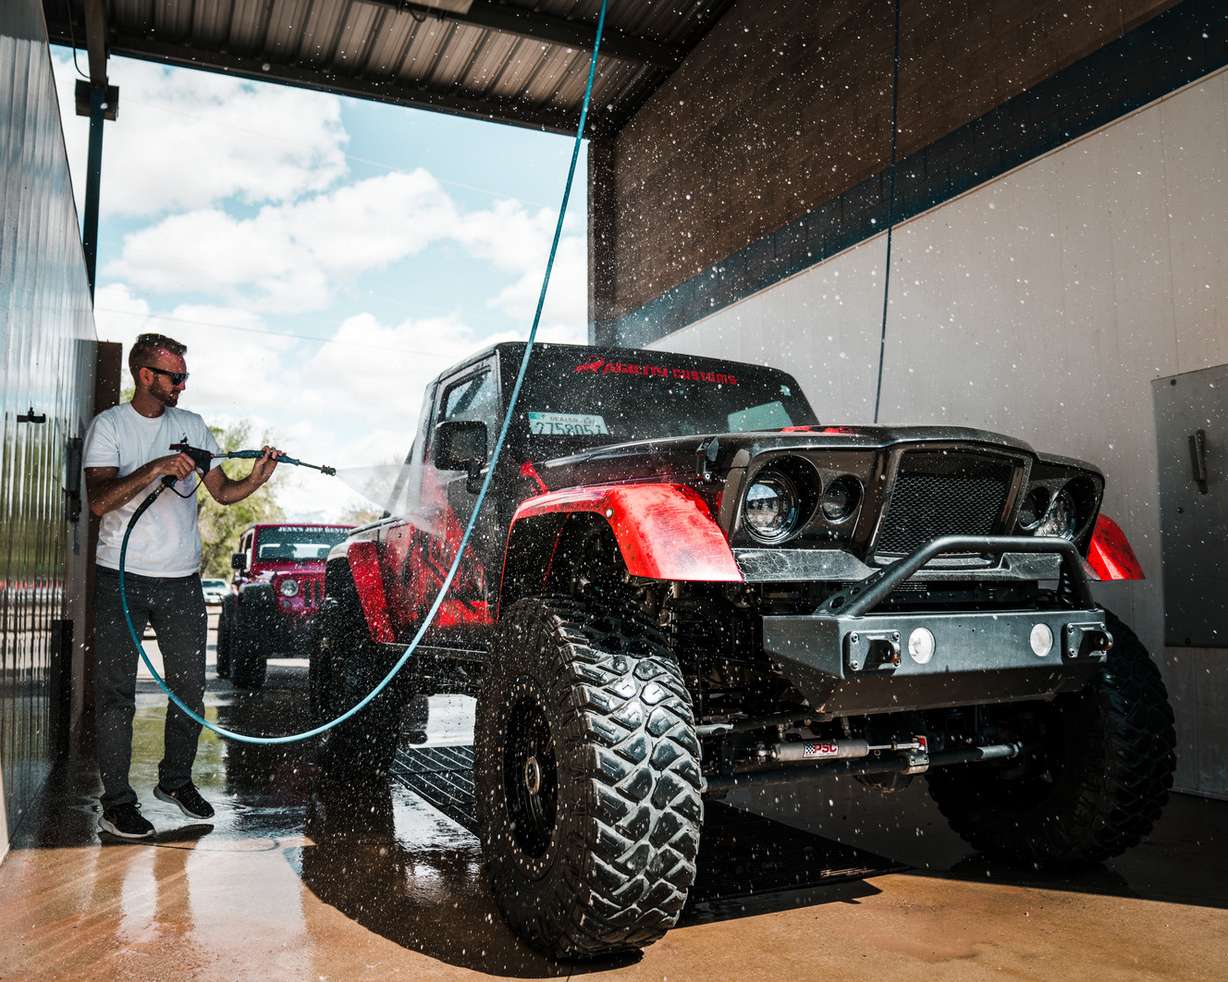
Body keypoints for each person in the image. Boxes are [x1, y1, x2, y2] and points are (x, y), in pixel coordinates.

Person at [84, 332, 281, 839]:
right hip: (120, 578)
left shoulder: (191, 425)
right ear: (145, 375)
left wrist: (255, 479)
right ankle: (117, 804)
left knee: (191, 689)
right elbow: (99, 501)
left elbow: (223, 492)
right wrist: (155, 468)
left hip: (181, 582)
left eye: (185, 376)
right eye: (176, 377)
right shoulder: (110, 426)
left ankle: (174, 781)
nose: (183, 385)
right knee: (116, 694)